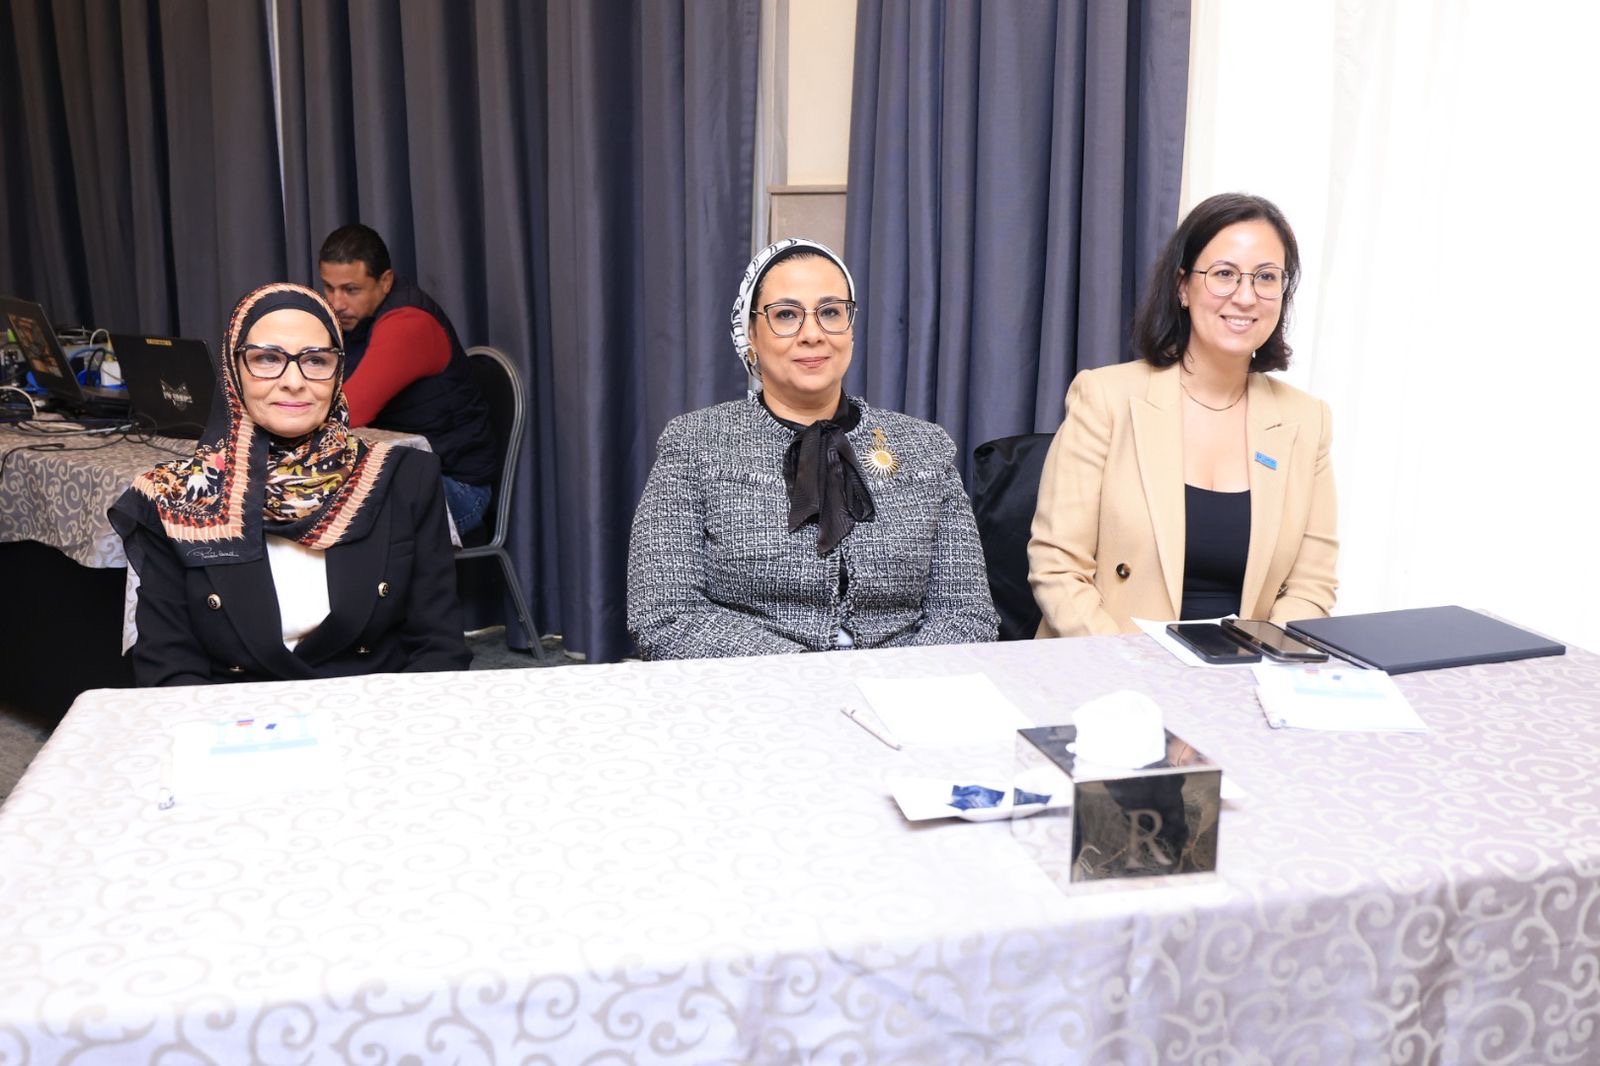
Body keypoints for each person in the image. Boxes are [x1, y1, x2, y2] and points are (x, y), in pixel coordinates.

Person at [627, 237, 998, 659]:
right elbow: (664, 614)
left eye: (830, 312)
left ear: (851, 331)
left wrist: (894, 678)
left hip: (904, 685)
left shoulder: (926, 448)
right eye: (786, 315)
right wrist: (808, 677)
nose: (812, 334)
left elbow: (967, 614)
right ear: (751, 335)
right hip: (755, 685)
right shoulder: (693, 444)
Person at [109, 282, 472, 685]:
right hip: (234, 714)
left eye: (316, 360)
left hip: (370, 709)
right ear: (233, 370)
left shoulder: (401, 479)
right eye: (267, 358)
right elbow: (170, 668)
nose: (294, 380)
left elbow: (438, 649)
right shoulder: (174, 500)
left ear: (338, 371)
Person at [1028, 192, 1337, 637]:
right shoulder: (1105, 397)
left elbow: (1311, 585)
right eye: (1224, 274)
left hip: (1242, 665)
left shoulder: (1307, 420)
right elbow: (1058, 566)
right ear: (1182, 287)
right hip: (1108, 657)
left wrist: (1266, 660)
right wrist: (1128, 664)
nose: (1246, 296)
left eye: (1266, 277)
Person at [318, 224, 497, 534]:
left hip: (455, 491)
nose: (336, 303)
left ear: (385, 281)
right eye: (329, 288)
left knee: (326, 511)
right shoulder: (353, 319)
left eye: (351, 290)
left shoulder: (409, 324)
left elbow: (347, 411)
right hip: (405, 473)